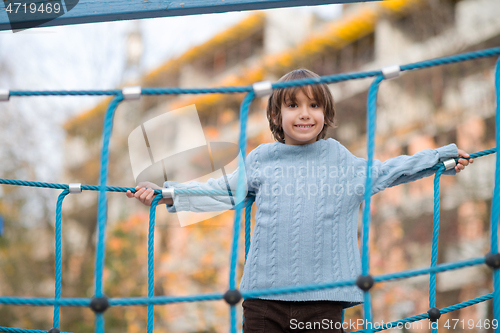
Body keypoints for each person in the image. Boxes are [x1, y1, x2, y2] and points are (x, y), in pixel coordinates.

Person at [126, 69, 473, 332]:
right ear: (277, 116)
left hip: (323, 301)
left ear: (325, 114)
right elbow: (222, 190)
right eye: (293, 105)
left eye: (313, 105)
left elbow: (387, 171)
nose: (304, 113)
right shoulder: (263, 158)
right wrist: (166, 193)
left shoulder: (340, 160)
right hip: (264, 301)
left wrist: (438, 158)